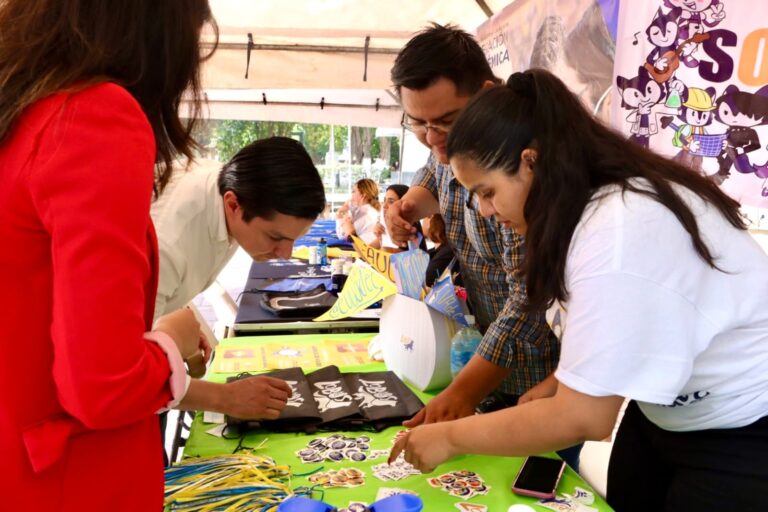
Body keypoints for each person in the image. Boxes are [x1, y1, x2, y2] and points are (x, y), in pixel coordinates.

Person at [390, 68, 768, 511]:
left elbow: (585, 416)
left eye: (488, 192)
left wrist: (450, 438)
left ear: (531, 161)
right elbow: (636, 322)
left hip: (745, 431)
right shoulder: (584, 211)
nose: (487, 211)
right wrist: (561, 381)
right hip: (664, 418)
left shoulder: (619, 226)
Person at [0, 2, 289, 510]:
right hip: (73, 476)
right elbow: (101, 387)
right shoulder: (91, 116)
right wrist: (167, 346)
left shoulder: (23, 113)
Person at [385, 24, 575, 467]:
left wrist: (461, 396)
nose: (434, 139)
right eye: (419, 124)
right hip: (498, 369)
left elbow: (528, 301)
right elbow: (433, 172)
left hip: (541, 379)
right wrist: (408, 206)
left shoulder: (518, 181)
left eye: (447, 122)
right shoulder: (454, 151)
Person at [152, 136, 326, 319]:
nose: (286, 254)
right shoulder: (166, 245)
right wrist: (172, 338)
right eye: (275, 237)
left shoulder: (237, 184)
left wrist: (174, 320)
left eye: (294, 239)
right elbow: (124, 342)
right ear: (233, 205)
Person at [375, 184, 427, 252]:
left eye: (391, 202)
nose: (384, 206)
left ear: (404, 206)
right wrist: (380, 237)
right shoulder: (387, 226)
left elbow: (390, 258)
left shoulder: (410, 229)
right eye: (384, 200)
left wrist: (381, 240)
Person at [336, 178, 380, 245]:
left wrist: (339, 214)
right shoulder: (366, 209)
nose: (352, 194)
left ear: (363, 195)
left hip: (362, 250)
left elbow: (342, 236)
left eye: (354, 191)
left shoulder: (366, 214)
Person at [422, 214, 458, 287]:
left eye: (427, 217)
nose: (423, 221)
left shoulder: (448, 250)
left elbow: (428, 279)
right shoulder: (437, 250)